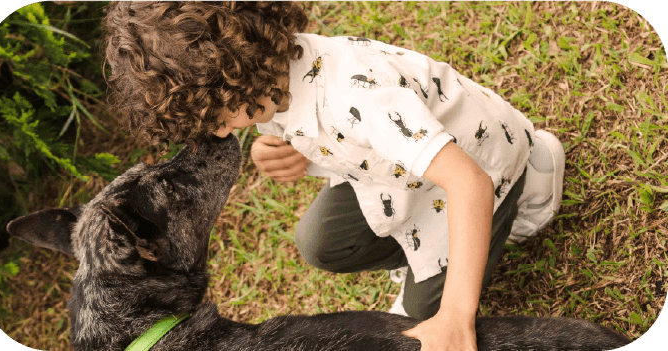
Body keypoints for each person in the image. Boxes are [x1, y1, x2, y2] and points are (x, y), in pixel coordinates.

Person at [103, 2, 565, 350]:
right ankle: (423, 250)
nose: (218, 133)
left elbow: (469, 183)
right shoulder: (271, 77)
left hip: (481, 169)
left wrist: (458, 316)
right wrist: (286, 149)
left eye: (215, 117)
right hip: (402, 181)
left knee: (422, 332)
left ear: (233, 73)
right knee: (320, 242)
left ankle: (532, 182)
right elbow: (323, 136)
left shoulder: (357, 99)